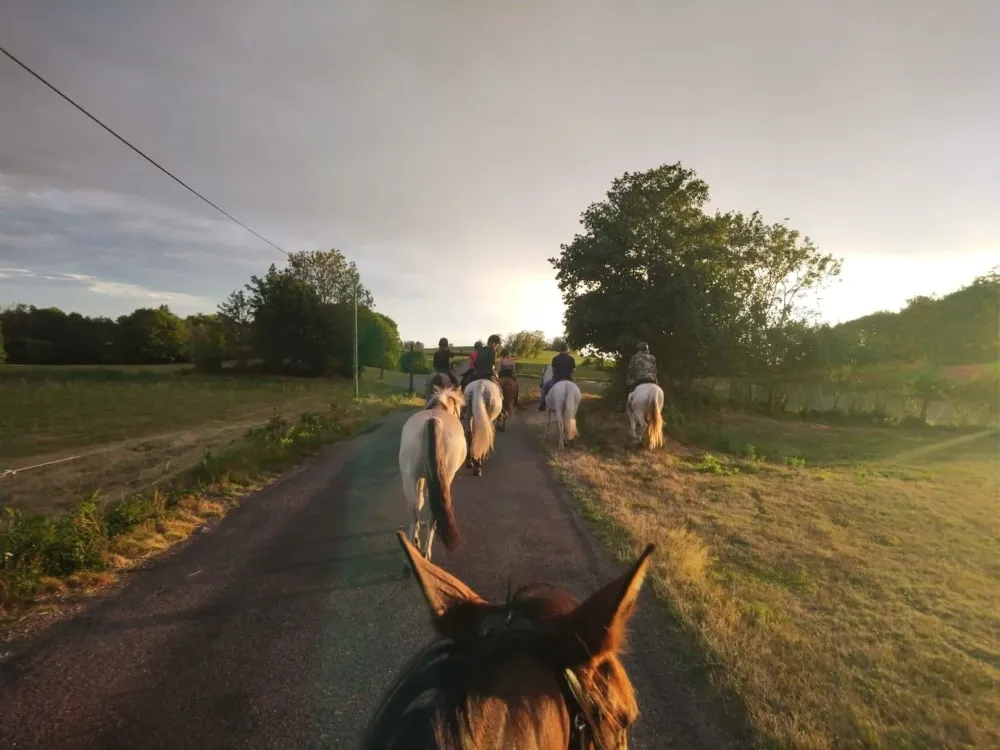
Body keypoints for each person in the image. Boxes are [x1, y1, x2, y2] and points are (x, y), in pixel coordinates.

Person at [539, 342, 575, 411]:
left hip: (557, 379)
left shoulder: (555, 358)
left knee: (544, 388)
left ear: (560, 349)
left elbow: (553, 371)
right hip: (568, 379)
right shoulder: (571, 358)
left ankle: (542, 405)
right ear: (566, 349)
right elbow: (574, 370)